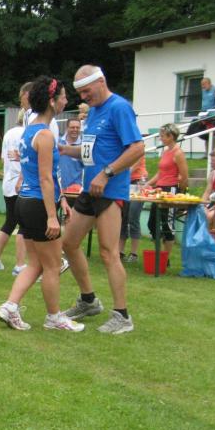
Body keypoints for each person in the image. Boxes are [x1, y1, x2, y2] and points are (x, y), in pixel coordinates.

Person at [59, 64, 144, 335]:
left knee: (108, 252)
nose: (84, 97)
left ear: (101, 82)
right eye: (80, 93)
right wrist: (63, 149)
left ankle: (122, 316)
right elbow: (91, 152)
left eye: (87, 91)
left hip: (110, 191)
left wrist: (107, 174)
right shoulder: (94, 112)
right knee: (69, 243)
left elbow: (138, 148)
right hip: (90, 190)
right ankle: (89, 301)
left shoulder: (119, 108)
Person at [0, 77, 83, 332]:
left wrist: (60, 200)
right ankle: (54, 317)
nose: (66, 101)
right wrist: (52, 216)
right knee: (53, 265)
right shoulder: (44, 135)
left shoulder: (29, 131)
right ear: (52, 101)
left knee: (35, 263)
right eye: (63, 96)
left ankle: (10, 306)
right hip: (38, 205)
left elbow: (34, 173)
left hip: (25, 202)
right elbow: (45, 178)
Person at [0, 110, 27, 275]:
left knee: (10, 221)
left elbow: (3, 159)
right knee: (25, 224)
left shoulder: (8, 133)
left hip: (8, 182)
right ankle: (20, 265)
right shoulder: (28, 133)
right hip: (21, 182)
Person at [146, 122, 188, 256]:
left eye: (163, 136)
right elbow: (160, 173)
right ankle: (159, 254)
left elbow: (184, 176)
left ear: (171, 136)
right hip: (160, 188)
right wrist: (148, 184)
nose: (161, 138)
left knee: (167, 224)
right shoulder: (165, 152)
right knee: (152, 223)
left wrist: (180, 193)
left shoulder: (178, 153)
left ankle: (165, 257)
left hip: (171, 189)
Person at [119, 153, 148, 263]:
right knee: (123, 217)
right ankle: (120, 251)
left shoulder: (138, 147)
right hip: (126, 183)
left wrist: (124, 174)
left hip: (138, 182)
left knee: (133, 217)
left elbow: (137, 163)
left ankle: (134, 253)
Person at [58, 119, 84, 192]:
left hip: (76, 189)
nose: (75, 130)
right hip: (58, 188)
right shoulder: (58, 143)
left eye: (77, 127)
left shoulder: (83, 146)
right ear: (67, 128)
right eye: (72, 127)